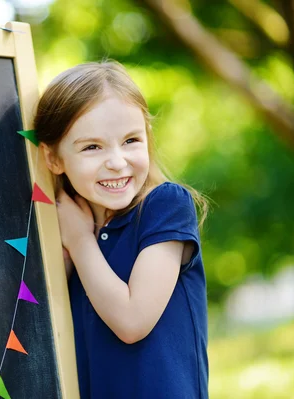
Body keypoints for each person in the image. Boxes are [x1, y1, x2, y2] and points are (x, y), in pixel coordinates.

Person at [34, 61, 209, 398]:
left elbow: (132, 321)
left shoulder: (164, 207)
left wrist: (80, 241)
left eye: (131, 140)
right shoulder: (63, 226)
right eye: (92, 147)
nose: (116, 161)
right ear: (53, 159)